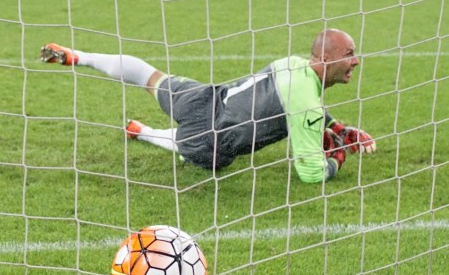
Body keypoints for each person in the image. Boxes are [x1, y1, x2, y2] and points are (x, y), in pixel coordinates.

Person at [39, 29, 377, 183]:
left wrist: (334, 128)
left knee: (148, 76)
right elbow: (310, 173)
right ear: (325, 57)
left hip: (206, 98)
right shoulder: (306, 105)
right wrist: (336, 158)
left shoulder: (293, 64)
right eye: (349, 55)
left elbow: (300, 104)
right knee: (187, 146)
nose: (357, 61)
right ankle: (148, 133)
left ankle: (78, 56)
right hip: (212, 142)